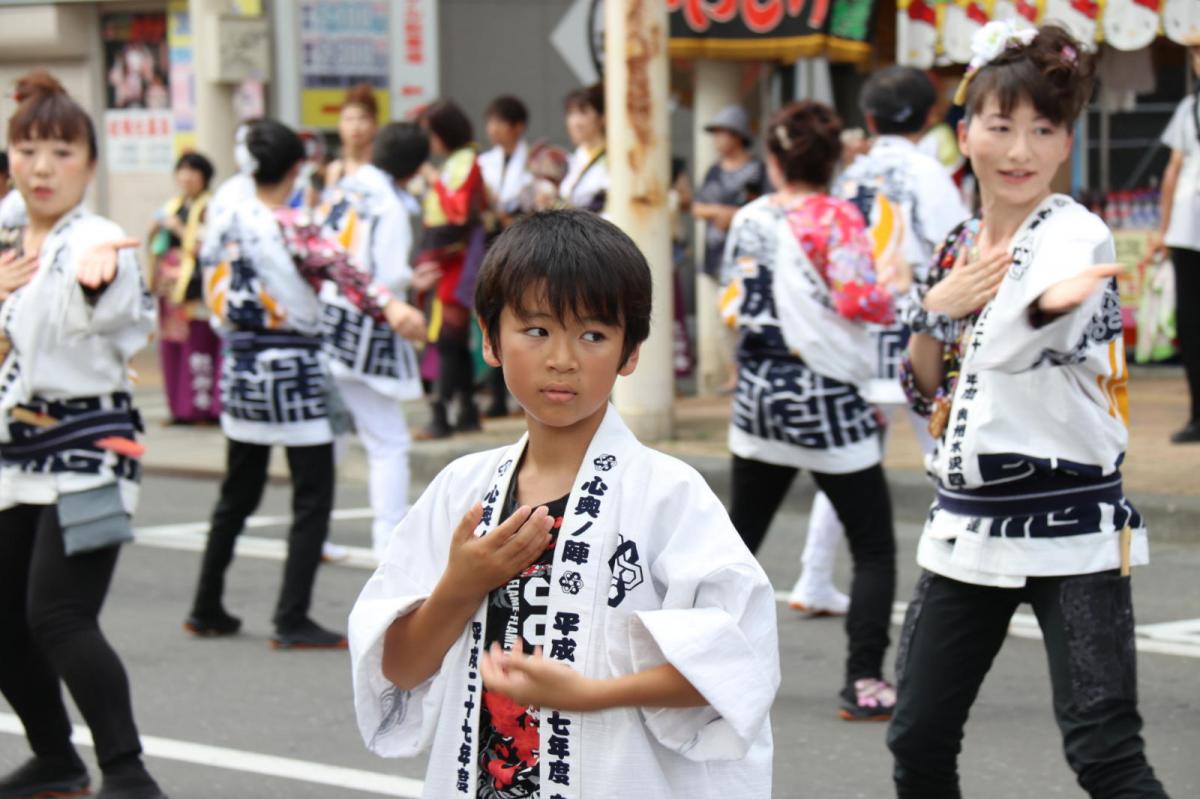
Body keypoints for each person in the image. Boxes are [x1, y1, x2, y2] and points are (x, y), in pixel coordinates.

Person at [348, 209, 779, 798]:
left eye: (594, 335)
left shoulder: (668, 496)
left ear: (631, 352)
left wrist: (590, 695)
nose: (563, 359)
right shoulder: (462, 489)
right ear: (489, 338)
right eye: (537, 330)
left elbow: (737, 668)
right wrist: (460, 583)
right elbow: (398, 669)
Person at [888, 23, 1169, 798]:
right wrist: (930, 313)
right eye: (1002, 125)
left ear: (1066, 142)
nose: (1020, 149)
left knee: (1106, 754)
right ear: (964, 131)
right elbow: (926, 385)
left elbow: (1025, 336)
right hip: (966, 524)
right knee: (918, 737)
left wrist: (1042, 305)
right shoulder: (954, 246)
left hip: (1071, 523)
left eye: (1044, 130)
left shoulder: (1080, 235)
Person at [183, 119, 426, 649]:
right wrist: (394, 307)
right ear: (296, 170)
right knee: (312, 498)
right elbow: (343, 269)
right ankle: (290, 618)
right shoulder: (290, 224)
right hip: (294, 372)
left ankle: (206, 605)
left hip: (240, 371)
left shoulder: (225, 215)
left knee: (237, 494)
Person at [0, 71, 167, 799]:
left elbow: (114, 301)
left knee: (59, 613)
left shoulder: (97, 237)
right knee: (3, 622)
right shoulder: (6, 232)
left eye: (62, 151)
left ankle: (127, 771)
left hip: (90, 449)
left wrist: (100, 282)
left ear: (90, 164)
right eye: (28, 148)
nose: (42, 167)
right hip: (14, 449)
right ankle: (55, 756)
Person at [721, 100, 899, 721]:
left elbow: (732, 302)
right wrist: (895, 290)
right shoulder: (839, 219)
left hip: (760, 398)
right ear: (833, 161)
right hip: (828, 401)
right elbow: (860, 300)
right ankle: (865, 682)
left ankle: (699, 668)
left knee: (735, 545)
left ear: (773, 159)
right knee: (873, 546)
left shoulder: (746, 220)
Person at [786, 66, 971, 617]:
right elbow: (955, 245)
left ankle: (814, 576)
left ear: (868, 119)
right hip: (917, 326)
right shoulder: (927, 171)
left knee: (849, 458)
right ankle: (967, 574)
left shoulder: (851, 176)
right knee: (944, 447)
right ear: (931, 116)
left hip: (858, 332)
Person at [319, 122, 429, 560]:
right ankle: (389, 541)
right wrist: (407, 281)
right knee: (388, 441)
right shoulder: (389, 205)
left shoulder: (345, 188)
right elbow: (384, 275)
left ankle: (315, 535)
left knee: (333, 435)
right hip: (366, 326)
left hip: (326, 320)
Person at [414, 99, 487, 439]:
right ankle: (467, 411)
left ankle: (441, 415)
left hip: (455, 257)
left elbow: (457, 212)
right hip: (449, 255)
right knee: (452, 339)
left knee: (446, 338)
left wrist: (435, 182)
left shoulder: (464, 164)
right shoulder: (458, 162)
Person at [149, 152, 221, 425]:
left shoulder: (210, 206)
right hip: (171, 290)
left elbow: (210, 245)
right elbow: (157, 246)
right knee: (173, 347)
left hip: (196, 288)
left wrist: (180, 230)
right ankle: (178, 408)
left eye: (193, 172)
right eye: (182, 171)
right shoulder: (172, 206)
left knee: (199, 347)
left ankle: (201, 409)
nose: (187, 177)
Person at [1153, 31, 1200, 443]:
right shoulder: (1190, 107)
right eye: (1196, 52)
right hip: (1188, 228)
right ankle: (1197, 413)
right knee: (1191, 322)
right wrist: (1163, 228)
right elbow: (1172, 170)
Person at [479, 95, 534, 419]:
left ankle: (519, 398)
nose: (494, 130)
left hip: (523, 246)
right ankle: (497, 395)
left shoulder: (534, 164)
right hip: (492, 246)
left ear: (518, 127)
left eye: (500, 122)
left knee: (522, 318)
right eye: (491, 122)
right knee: (494, 317)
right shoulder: (485, 162)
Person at [559, 84, 608, 212]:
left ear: (602, 118)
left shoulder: (616, 159)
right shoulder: (576, 158)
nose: (575, 122)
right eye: (570, 114)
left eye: (583, 113)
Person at [325, 83, 379, 189]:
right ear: (339, 126)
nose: (355, 126)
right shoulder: (335, 170)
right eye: (349, 119)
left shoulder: (383, 168)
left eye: (362, 119)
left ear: (375, 125)